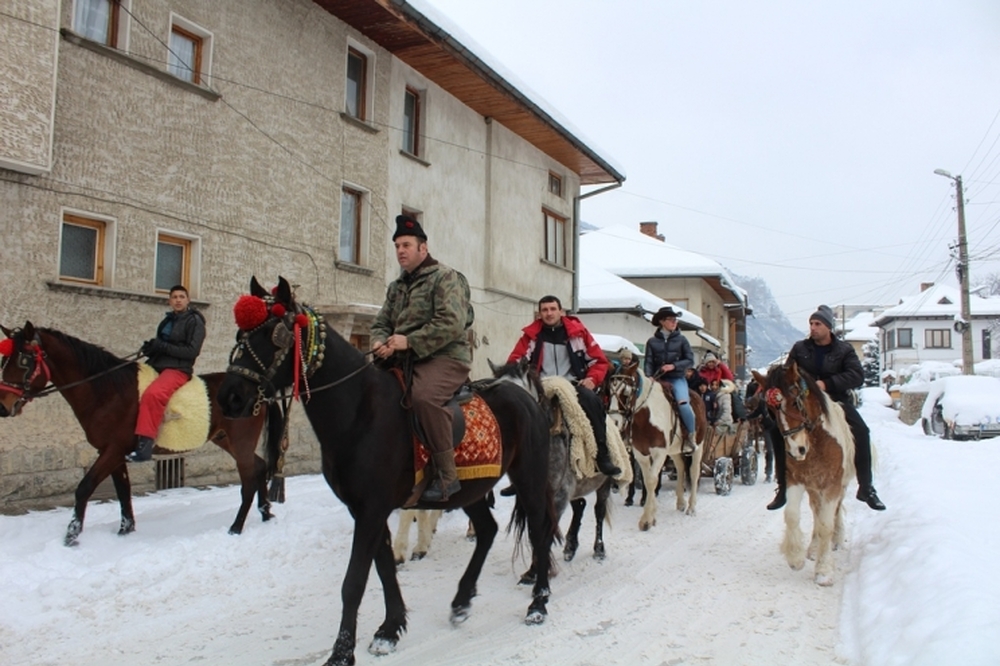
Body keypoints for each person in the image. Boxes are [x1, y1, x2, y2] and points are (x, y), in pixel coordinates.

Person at [371, 215, 474, 503]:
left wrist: (410, 341)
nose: (400, 251)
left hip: (445, 357)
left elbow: (452, 322)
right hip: (403, 358)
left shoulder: (446, 278)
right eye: (397, 246)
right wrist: (379, 341)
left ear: (423, 248)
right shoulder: (396, 287)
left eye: (406, 244)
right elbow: (381, 322)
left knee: (424, 398)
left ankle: (447, 475)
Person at [766, 305, 886, 511]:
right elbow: (788, 374)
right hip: (805, 401)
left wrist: (827, 384)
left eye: (817, 324)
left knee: (862, 431)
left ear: (828, 327)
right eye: (811, 324)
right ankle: (782, 486)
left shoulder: (844, 350)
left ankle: (866, 487)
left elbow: (857, 376)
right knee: (776, 430)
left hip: (836, 400)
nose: (813, 328)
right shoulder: (800, 348)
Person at [507, 295, 622, 477]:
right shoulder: (531, 337)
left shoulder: (578, 333)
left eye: (553, 309)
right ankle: (519, 469)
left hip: (573, 384)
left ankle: (602, 456)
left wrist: (592, 379)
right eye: (545, 310)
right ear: (539, 313)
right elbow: (514, 361)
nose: (549, 313)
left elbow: (599, 361)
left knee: (593, 402)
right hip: (542, 386)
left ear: (561, 311)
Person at [126, 285, 206, 462]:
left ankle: (145, 446)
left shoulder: (195, 322)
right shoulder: (167, 322)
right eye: (174, 297)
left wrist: (162, 347)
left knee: (153, 395)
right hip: (158, 365)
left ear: (188, 300)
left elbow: (191, 352)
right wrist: (151, 350)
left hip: (178, 369)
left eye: (181, 297)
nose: (178, 300)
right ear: (169, 301)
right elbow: (162, 347)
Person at [643, 306, 697, 453]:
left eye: (675, 319)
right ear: (662, 321)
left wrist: (673, 366)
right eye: (671, 319)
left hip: (677, 379)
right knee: (641, 403)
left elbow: (690, 360)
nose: (674, 322)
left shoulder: (682, 340)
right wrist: (649, 377)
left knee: (684, 405)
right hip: (657, 380)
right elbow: (648, 362)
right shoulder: (652, 342)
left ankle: (691, 436)